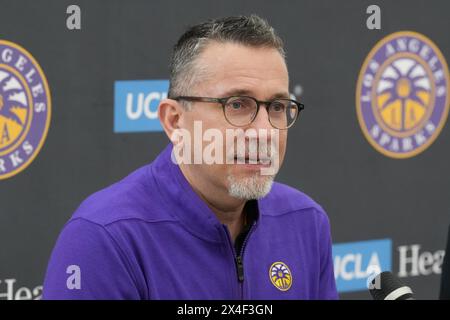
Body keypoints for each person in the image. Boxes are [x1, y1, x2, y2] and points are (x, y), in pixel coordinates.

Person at [43, 14, 338, 299]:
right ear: (174, 120)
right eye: (237, 104)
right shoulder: (105, 238)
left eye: (276, 106)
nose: (264, 131)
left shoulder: (306, 222)